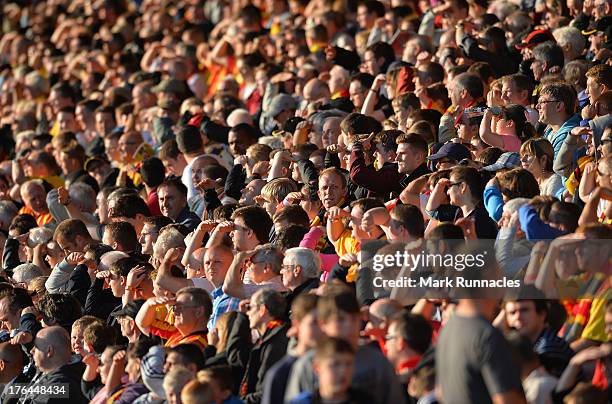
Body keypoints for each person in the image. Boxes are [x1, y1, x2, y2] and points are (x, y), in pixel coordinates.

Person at [227, 288, 289, 404]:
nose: (248, 312)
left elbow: (266, 392)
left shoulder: (276, 341)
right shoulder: (270, 335)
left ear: (262, 310)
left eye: (250, 307)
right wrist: (242, 317)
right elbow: (236, 357)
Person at [20, 326, 87, 404]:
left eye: (36, 347)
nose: (32, 351)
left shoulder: (60, 386)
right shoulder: (49, 370)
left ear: (49, 350)